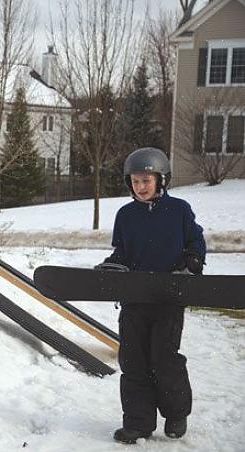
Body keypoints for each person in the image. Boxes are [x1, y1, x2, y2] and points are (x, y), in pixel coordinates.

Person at [98, 147, 206, 445]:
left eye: (146, 180)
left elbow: (196, 242)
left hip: (168, 300)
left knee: (164, 358)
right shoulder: (125, 215)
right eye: (135, 181)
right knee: (133, 361)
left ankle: (175, 412)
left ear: (161, 180)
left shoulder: (179, 210)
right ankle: (137, 422)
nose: (140, 187)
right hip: (134, 301)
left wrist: (193, 260)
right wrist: (112, 266)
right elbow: (121, 252)